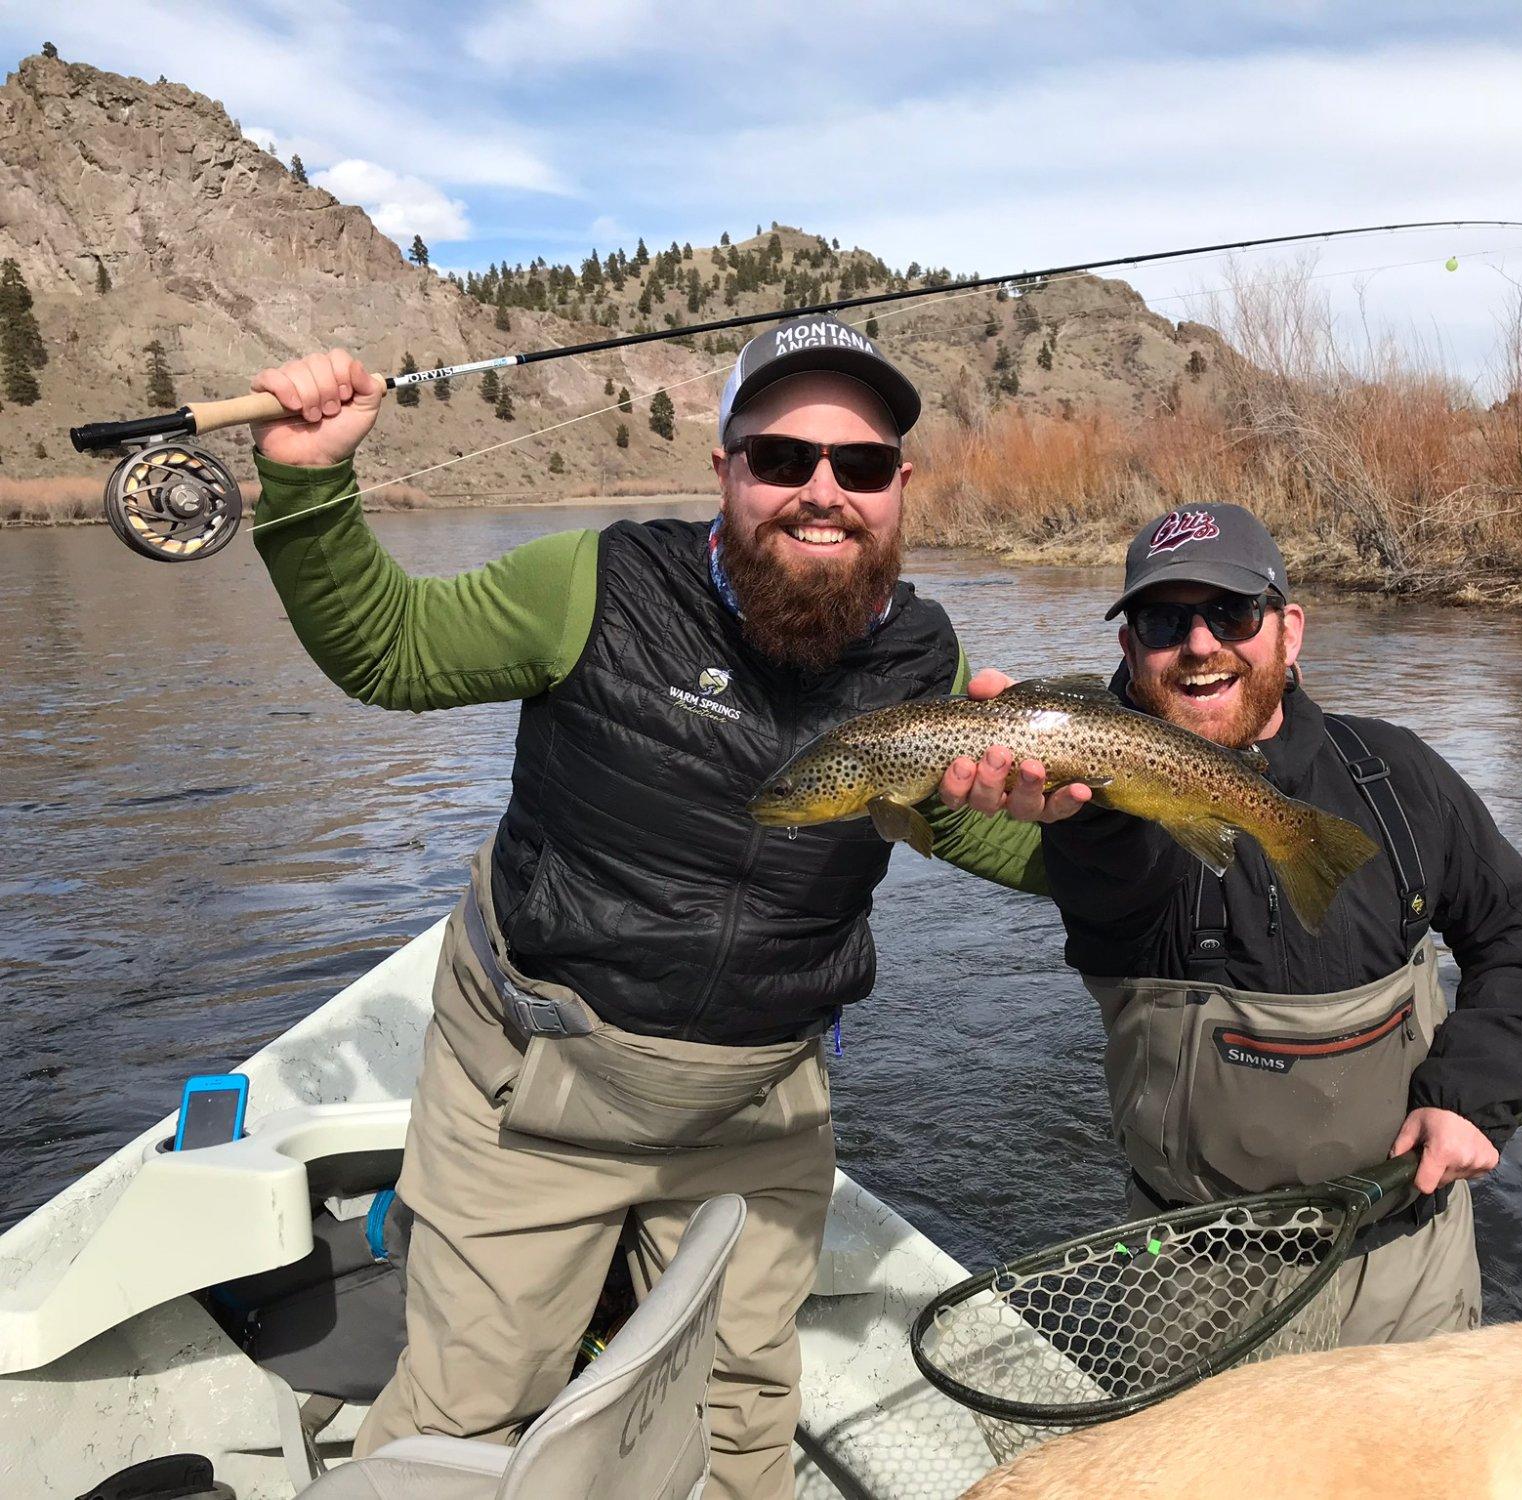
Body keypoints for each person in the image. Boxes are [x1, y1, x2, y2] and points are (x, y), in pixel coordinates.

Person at [245, 318, 1044, 1498]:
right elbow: (390, 653)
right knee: (468, 1412)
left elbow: (976, 832)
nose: (822, 492)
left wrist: (1088, 822)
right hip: (536, 1091)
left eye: (859, 467)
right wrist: (308, 487)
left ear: (899, 490)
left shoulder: (926, 655)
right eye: (782, 459)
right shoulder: (590, 583)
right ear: (724, 469)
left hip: (759, 1105)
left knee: (738, 1420)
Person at [938, 503, 1522, 1344]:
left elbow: (1520, 931)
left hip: (1408, 1253)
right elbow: (1118, 897)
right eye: (1165, 622)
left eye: (1231, 613)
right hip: (1195, 1276)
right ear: (1128, 651)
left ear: (1289, 631)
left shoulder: (1399, 779)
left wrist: (1474, 1095)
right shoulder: (1100, 822)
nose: (1200, 646)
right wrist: (1082, 808)